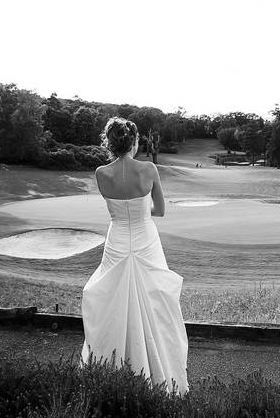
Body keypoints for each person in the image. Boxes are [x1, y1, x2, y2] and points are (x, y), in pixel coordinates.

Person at [80, 117, 189, 394]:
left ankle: (113, 369)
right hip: (145, 239)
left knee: (113, 298)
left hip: (117, 238)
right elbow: (161, 210)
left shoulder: (101, 173)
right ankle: (159, 370)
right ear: (134, 141)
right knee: (154, 299)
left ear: (110, 142)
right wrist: (141, 211)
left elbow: (114, 210)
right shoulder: (149, 168)